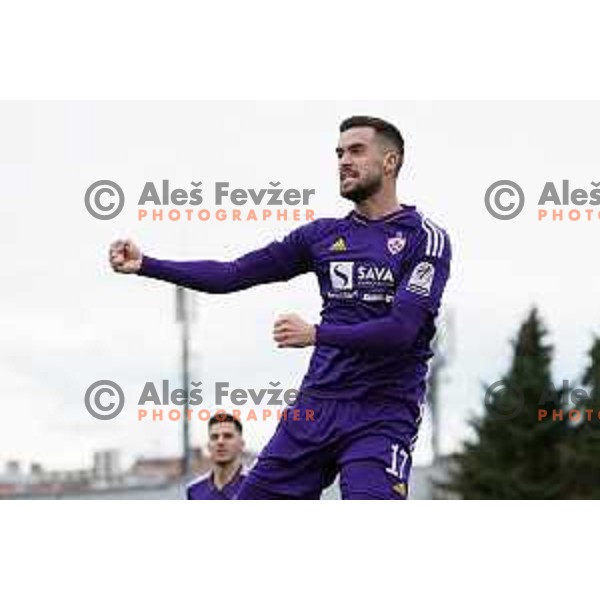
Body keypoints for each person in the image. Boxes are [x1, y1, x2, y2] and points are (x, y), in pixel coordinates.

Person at [109, 115, 452, 500]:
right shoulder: (322, 236)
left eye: (356, 150)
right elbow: (232, 274)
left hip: (381, 415)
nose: (343, 161)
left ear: (391, 162)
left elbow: (400, 331)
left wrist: (316, 334)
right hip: (314, 410)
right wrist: (147, 264)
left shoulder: (424, 239)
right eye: (339, 153)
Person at [186, 414, 247, 500]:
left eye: (228, 436)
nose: (220, 442)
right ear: (208, 446)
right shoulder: (194, 490)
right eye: (214, 437)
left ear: (242, 444)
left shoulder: (256, 485)